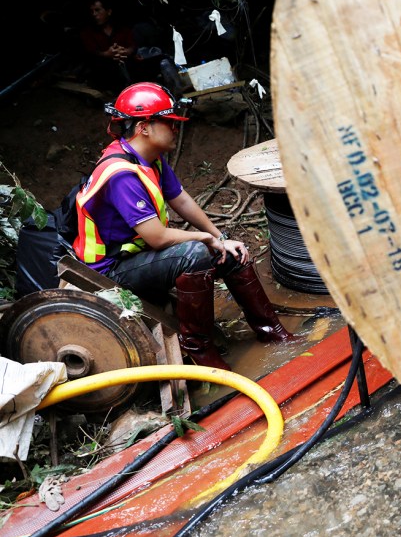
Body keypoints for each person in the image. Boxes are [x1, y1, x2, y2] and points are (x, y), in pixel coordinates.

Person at [73, 82, 297, 370]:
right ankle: (201, 352)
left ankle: (273, 332)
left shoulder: (150, 159)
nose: (175, 129)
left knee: (231, 251)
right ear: (145, 127)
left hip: (137, 260)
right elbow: (156, 237)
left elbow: (181, 200)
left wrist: (221, 237)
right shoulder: (121, 175)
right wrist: (206, 239)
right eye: (168, 123)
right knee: (195, 253)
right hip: (112, 273)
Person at [79, 0, 137, 89]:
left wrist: (126, 51)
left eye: (97, 10)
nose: (94, 14)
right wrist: (106, 54)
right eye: (92, 11)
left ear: (109, 12)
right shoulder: (87, 32)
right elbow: (90, 53)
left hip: (125, 65)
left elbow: (132, 45)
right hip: (102, 72)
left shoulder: (121, 28)